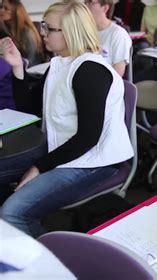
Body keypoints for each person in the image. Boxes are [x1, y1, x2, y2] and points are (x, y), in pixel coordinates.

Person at [0, 1, 134, 237]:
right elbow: (30, 109)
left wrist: (39, 167)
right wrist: (17, 67)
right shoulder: (60, 64)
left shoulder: (90, 70)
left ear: (71, 31)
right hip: (64, 148)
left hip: (94, 161)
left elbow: (88, 137)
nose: (42, 33)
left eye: (48, 28)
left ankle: (51, 263)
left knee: (12, 212)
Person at [86, 0, 132, 77]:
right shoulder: (84, 32)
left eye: (91, 3)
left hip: (103, 84)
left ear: (105, 8)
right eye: (86, 2)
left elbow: (118, 72)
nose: (86, 7)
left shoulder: (118, 34)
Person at [0, 0, 43, 66]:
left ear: (16, 12)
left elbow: (29, 59)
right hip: (15, 66)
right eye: (1, 7)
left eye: (6, 8)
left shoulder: (26, 31)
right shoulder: (5, 29)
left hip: (30, 68)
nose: (1, 10)